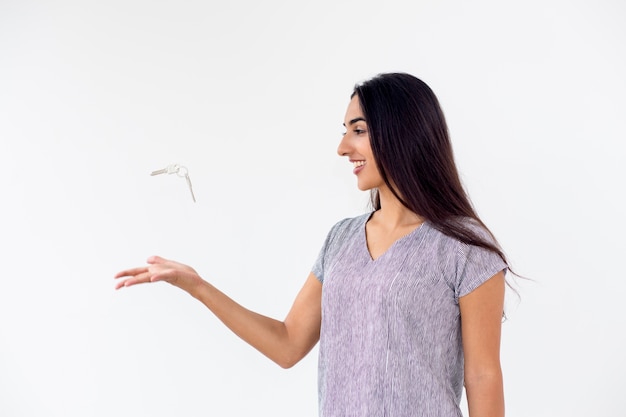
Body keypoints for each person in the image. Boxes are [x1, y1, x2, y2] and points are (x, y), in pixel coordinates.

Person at [115, 72, 509, 417]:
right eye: (344, 131)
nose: (342, 147)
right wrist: (197, 286)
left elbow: (482, 375)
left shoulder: (464, 249)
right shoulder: (341, 239)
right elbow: (287, 344)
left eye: (358, 130)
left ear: (402, 132)